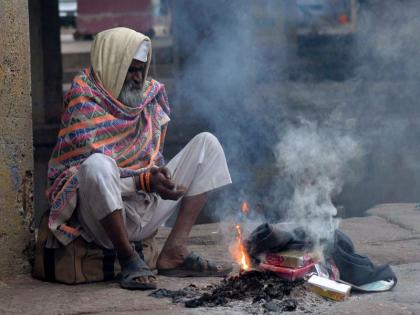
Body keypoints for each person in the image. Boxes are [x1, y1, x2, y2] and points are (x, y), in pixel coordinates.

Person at [46, 27, 232, 290]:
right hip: (102, 222)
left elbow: (152, 161)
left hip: (146, 206)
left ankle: (174, 251)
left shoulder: (148, 96)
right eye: (130, 69)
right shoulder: (83, 98)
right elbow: (76, 180)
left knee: (208, 145)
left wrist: (160, 178)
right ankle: (128, 258)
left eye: (141, 69)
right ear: (111, 65)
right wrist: (142, 181)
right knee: (97, 165)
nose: (137, 78)